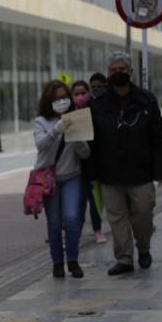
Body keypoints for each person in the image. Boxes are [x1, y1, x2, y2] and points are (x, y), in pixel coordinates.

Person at [89, 51, 162, 275]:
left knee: (144, 213)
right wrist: (92, 173)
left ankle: (143, 248)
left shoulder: (147, 100)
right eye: (113, 70)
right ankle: (124, 258)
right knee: (116, 219)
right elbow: (90, 140)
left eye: (122, 70)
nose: (117, 73)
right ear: (107, 73)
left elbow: (159, 138)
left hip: (141, 173)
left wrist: (161, 172)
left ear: (131, 72)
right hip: (109, 173)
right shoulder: (96, 103)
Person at [35, 81, 91, 279]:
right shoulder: (40, 121)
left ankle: (73, 260)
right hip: (49, 179)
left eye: (64, 97)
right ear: (49, 100)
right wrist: (56, 130)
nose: (61, 101)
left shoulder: (76, 119)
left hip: (72, 177)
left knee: (72, 219)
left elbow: (85, 154)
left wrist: (77, 138)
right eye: (57, 98)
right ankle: (57, 262)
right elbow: (41, 145)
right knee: (54, 223)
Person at [71, 80, 105, 244]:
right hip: (74, 168)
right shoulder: (68, 115)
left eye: (83, 92)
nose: (80, 97)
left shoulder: (95, 111)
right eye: (76, 93)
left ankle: (97, 230)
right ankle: (74, 233)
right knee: (78, 203)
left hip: (92, 166)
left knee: (94, 201)